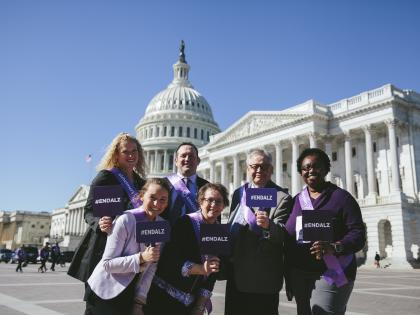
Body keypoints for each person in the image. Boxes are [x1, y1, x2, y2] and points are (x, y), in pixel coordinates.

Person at [68, 132, 146, 315]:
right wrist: (98, 222)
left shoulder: (141, 183)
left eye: (134, 151)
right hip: (103, 248)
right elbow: (88, 212)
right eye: (126, 151)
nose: (131, 155)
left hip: (128, 251)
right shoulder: (106, 177)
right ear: (116, 154)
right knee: (99, 306)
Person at [285, 148, 366, 315]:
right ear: (301, 173)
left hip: (332, 271)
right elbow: (288, 237)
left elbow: (358, 234)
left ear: (326, 169)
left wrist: (335, 247)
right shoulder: (296, 201)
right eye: (306, 168)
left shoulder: (342, 198)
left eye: (316, 166)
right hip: (300, 273)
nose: (311, 171)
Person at [86, 178, 170, 315]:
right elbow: (108, 264)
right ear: (142, 196)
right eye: (152, 197)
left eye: (163, 200)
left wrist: (139, 301)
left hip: (130, 293)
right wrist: (141, 257)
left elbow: (152, 267)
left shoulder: (161, 225)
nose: (157, 204)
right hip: (105, 291)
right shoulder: (125, 219)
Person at [225, 149, 292, 315]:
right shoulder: (238, 194)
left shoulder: (282, 197)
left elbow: (283, 235)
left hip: (263, 278)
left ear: (271, 170)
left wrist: (269, 226)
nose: (259, 171)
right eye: (254, 167)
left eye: (264, 167)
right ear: (248, 169)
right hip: (237, 274)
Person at [146, 183, 229, 315]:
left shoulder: (218, 231)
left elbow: (211, 275)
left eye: (219, 201)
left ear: (224, 206)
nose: (213, 205)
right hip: (163, 297)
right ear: (200, 202)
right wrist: (200, 268)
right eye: (209, 200)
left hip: (190, 303)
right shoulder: (184, 223)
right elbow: (170, 259)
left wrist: (200, 305)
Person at [163, 142, 209, 226]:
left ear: (198, 161)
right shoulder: (162, 184)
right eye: (183, 156)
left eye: (191, 156)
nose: (187, 159)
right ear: (176, 161)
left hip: (196, 237)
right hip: (168, 237)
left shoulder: (208, 187)